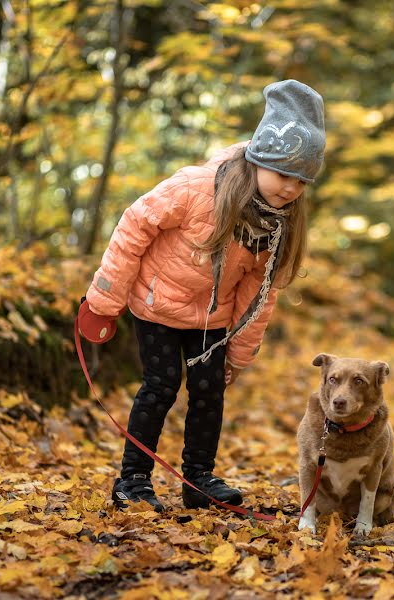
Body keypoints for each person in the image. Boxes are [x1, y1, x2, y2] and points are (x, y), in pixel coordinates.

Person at [77, 80, 326, 512]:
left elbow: (258, 295)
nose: (290, 188)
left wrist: (239, 355)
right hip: (156, 303)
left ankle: (198, 479)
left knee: (210, 391)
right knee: (161, 386)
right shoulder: (196, 188)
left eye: (301, 181)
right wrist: (105, 299)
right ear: (259, 159)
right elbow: (134, 226)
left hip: (211, 319)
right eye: (283, 174)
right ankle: (132, 481)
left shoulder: (277, 226)